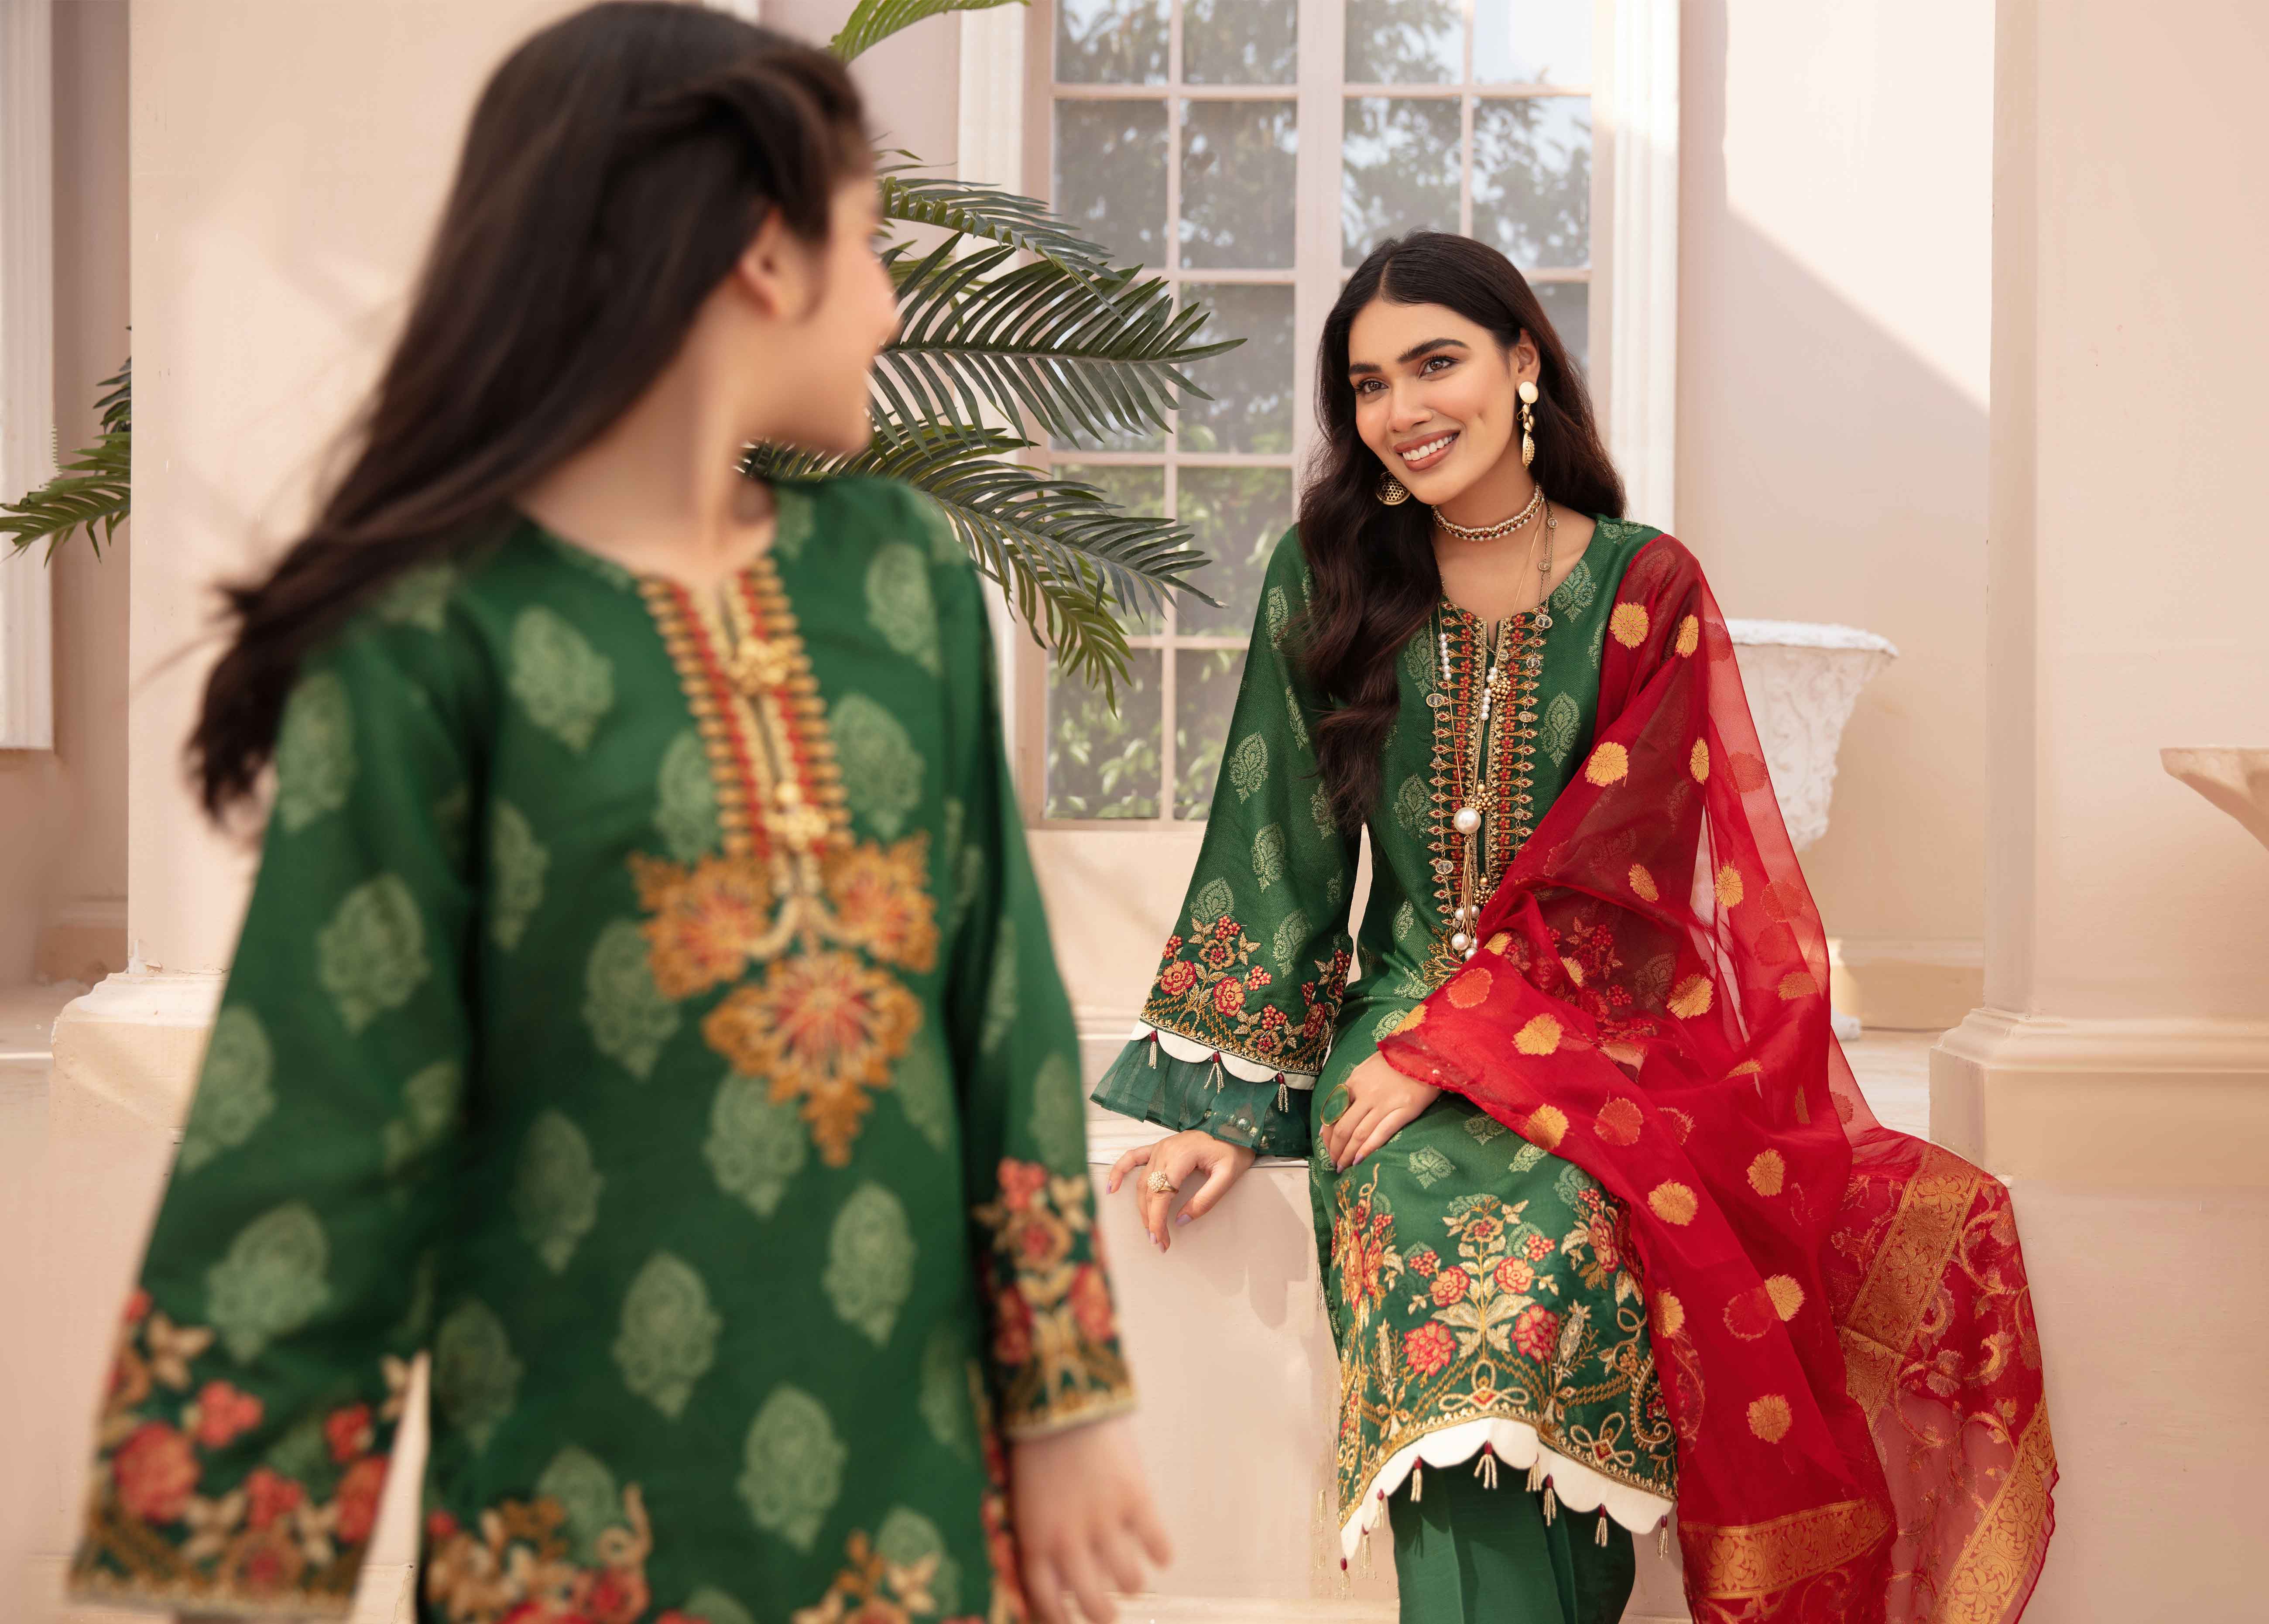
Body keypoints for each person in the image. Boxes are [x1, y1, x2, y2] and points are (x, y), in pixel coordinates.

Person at [65, 9, 1167, 1624]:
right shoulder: (434, 635)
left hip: (918, 1511)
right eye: (866, 244)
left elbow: (1000, 1007)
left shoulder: (902, 577)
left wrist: (1068, 1406)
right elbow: (320, 1122)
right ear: (758, 256)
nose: (888, 305)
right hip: (576, 1533)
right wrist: (236, 1581)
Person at [1093, 232, 2054, 1624]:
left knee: (1563, 1270)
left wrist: (1462, 1048)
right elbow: (1277, 844)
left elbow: (1633, 879)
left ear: (1524, 363)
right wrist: (1228, 1099)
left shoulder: (1642, 588)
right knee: (1465, 1322)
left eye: (1437, 363)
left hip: (1610, 1040)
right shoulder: (1331, 578)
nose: (1404, 408)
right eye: (1368, 385)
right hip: (1399, 1024)